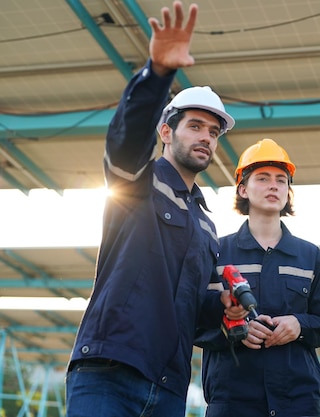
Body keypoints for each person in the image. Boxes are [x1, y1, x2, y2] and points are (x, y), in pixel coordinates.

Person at [65, 2, 246, 416]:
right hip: (109, 373)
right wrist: (157, 74)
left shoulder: (206, 224)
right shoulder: (135, 184)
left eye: (213, 132)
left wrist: (222, 311)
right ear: (166, 131)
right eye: (195, 126)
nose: (206, 138)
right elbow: (126, 137)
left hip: (168, 387)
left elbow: (192, 311)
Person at [196, 138, 320, 417]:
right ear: (243, 189)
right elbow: (193, 321)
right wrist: (235, 331)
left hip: (299, 403)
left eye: (281, 180)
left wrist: (299, 325)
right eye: (262, 178)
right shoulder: (216, 253)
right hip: (232, 402)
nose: (274, 185)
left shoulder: (310, 256)